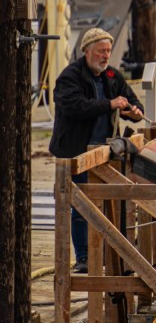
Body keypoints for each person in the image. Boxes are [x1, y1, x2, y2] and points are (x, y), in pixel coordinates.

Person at [49, 27, 144, 273]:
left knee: (112, 203)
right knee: (82, 206)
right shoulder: (70, 76)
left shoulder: (112, 75)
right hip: (76, 151)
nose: (106, 56)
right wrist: (109, 104)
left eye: (108, 51)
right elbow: (75, 106)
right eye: (101, 51)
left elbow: (132, 100)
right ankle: (84, 258)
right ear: (87, 51)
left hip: (104, 152)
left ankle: (110, 253)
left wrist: (134, 112)